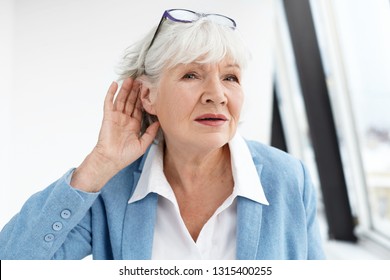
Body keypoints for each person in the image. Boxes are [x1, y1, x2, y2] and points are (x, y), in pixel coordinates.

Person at [0, 8, 325, 260]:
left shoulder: (289, 180)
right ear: (147, 96)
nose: (217, 95)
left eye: (230, 78)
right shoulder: (112, 187)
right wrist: (98, 165)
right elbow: (12, 261)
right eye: (191, 74)